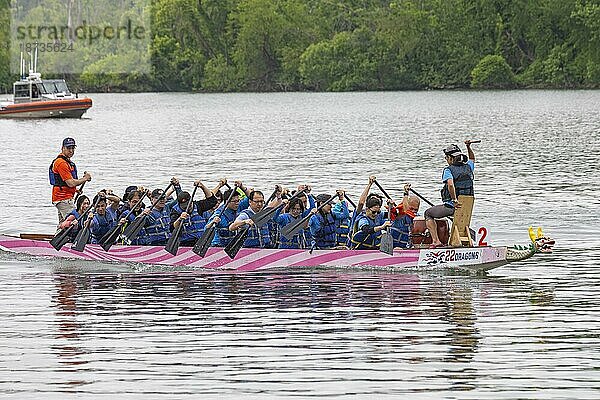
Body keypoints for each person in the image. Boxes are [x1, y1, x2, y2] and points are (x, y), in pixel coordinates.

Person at [425, 140, 476, 248]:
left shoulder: (448, 170)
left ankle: (436, 241)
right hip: (466, 208)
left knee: (428, 213)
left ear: (451, 158)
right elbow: (472, 158)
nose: (446, 160)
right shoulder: (469, 167)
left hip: (453, 207)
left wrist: (454, 200)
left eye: (446, 158)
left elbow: (450, 185)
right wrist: (468, 147)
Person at [49, 137, 92, 225]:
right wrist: (85, 178)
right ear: (62, 148)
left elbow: (65, 183)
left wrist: (75, 190)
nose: (71, 150)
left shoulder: (67, 162)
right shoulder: (61, 163)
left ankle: (57, 236)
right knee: (75, 220)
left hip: (64, 198)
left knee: (63, 223)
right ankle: (72, 238)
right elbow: (71, 183)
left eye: (73, 148)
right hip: (62, 199)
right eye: (68, 148)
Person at [170, 180, 218, 247]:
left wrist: (202, 187)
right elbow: (172, 228)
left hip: (201, 241)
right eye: (184, 206)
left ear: (191, 200)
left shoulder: (198, 205)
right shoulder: (175, 210)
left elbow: (212, 201)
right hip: (185, 243)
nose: (187, 207)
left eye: (188, 205)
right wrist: (180, 219)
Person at [389, 184, 420, 248]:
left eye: (416, 209)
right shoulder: (397, 213)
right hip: (393, 245)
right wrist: (391, 206)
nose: (413, 211)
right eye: (412, 208)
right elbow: (406, 210)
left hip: (406, 246)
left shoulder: (416, 217)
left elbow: (407, 210)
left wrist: (406, 194)